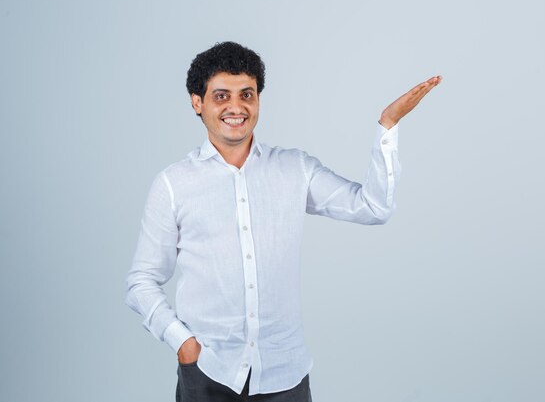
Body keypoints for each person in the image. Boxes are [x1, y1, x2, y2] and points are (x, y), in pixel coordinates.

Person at [125, 41, 441, 402]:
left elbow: (372, 207)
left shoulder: (295, 169)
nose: (236, 106)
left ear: (258, 99)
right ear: (197, 103)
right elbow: (141, 281)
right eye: (221, 96)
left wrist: (388, 125)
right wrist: (183, 343)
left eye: (247, 94)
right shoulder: (173, 184)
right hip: (208, 372)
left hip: (284, 374)